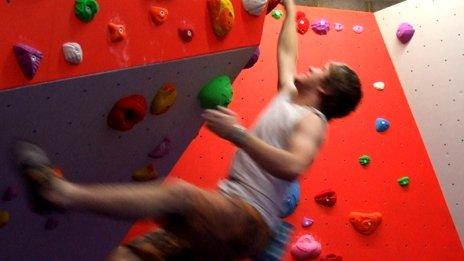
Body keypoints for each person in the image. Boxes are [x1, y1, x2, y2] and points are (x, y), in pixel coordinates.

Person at [14, 0, 362, 260]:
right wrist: (289, 8)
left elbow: (294, 165)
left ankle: (59, 195)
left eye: (324, 68)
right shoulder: (290, 96)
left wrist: (237, 134)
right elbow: (289, 51)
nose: (314, 67)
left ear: (327, 89)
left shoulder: (312, 121)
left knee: (178, 197)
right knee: (129, 257)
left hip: (247, 222)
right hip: (226, 219)